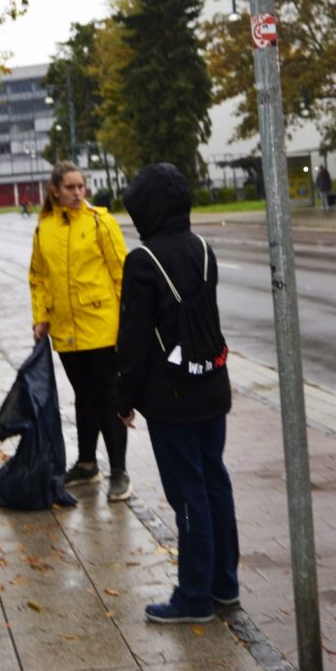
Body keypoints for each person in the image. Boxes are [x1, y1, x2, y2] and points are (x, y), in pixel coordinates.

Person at [115, 162, 240, 625]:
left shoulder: (143, 261)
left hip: (171, 396)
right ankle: (225, 585)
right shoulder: (204, 250)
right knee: (215, 482)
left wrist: (123, 399)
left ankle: (194, 596)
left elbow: (133, 341)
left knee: (188, 494)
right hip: (212, 384)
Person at [28, 161, 131, 502]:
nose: (77, 193)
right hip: (66, 332)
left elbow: (121, 275)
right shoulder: (45, 228)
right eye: (70, 187)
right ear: (55, 190)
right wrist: (40, 317)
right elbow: (39, 277)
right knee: (84, 398)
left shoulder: (102, 222)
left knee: (109, 400)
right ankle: (87, 464)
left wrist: (127, 325)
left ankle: (119, 471)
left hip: (102, 328)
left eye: (80, 187)